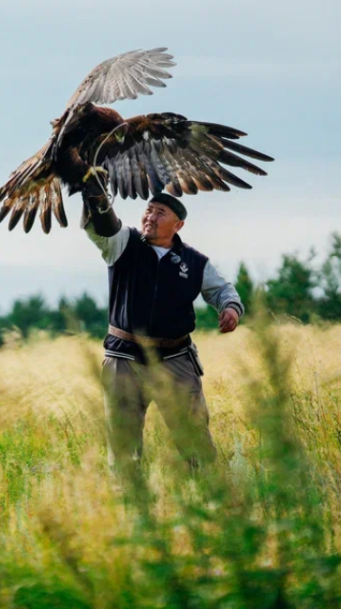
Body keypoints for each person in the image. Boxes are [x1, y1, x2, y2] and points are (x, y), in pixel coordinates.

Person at [80, 180, 243, 470]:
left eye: (160, 213)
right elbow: (102, 224)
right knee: (123, 447)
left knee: (196, 443)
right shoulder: (122, 243)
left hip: (175, 359)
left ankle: (210, 501)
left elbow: (222, 290)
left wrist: (230, 308)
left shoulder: (194, 262)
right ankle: (129, 507)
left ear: (177, 225)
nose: (150, 217)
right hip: (125, 359)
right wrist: (92, 189)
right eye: (149, 210)